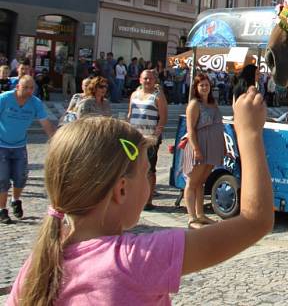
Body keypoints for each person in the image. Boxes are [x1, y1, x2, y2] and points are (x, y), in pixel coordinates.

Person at [7, 87, 273, 304]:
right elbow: (255, 221)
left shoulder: (38, 267)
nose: (150, 183)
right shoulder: (135, 260)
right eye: (146, 173)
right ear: (121, 189)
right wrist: (249, 134)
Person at [0, 75, 56, 224]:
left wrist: (56, 141)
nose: (29, 91)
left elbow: (45, 123)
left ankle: (15, 200)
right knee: (3, 179)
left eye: (32, 88)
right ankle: (2, 210)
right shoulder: (4, 99)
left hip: (19, 145)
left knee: (20, 177)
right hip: (2, 145)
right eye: (26, 87)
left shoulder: (35, 103)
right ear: (17, 87)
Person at [182, 73, 226, 228]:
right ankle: (192, 217)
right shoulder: (194, 104)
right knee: (192, 182)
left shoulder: (213, 104)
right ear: (196, 87)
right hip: (200, 145)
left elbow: (219, 126)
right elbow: (191, 129)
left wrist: (223, 146)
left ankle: (200, 214)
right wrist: (196, 148)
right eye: (201, 85)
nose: (205, 87)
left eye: (207, 85)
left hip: (213, 147)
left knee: (201, 182)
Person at [128, 69, 169, 210]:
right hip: (134, 138)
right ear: (140, 79)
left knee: (149, 170)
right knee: (133, 169)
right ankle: (134, 198)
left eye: (150, 78)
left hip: (150, 138)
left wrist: (156, 136)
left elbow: (163, 118)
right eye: (145, 78)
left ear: (154, 80)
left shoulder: (158, 96)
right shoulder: (134, 94)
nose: (147, 81)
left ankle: (148, 200)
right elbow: (130, 114)